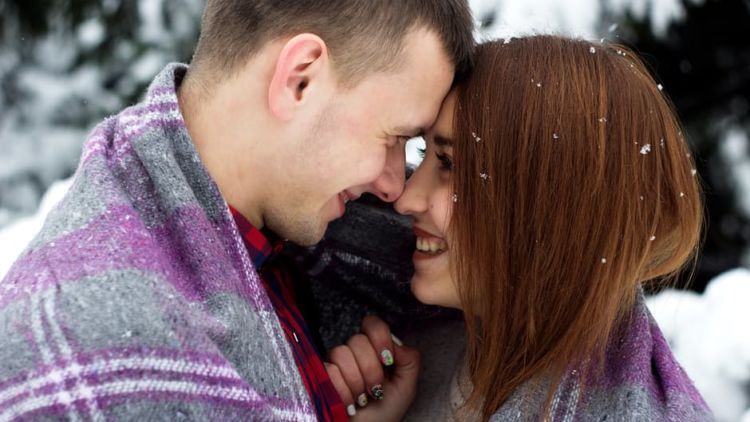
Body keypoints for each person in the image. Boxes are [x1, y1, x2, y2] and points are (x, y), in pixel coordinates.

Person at [0, 1, 474, 420]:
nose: (396, 185)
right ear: (300, 78)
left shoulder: (269, 243)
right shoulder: (93, 351)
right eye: (393, 137)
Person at [325, 36, 714, 421]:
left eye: (449, 164)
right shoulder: (419, 351)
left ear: (550, 206)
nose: (406, 198)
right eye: (424, 153)